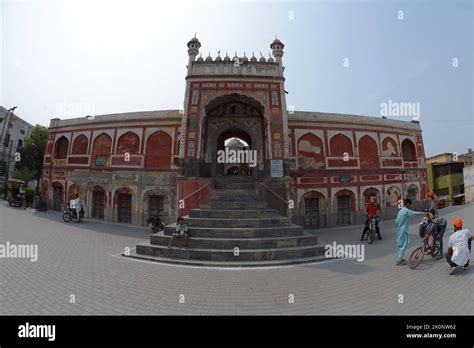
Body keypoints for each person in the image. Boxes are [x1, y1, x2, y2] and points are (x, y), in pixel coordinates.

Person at [395, 198, 424, 265]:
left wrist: (399, 225)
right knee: (403, 245)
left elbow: (396, 221)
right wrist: (424, 213)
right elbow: (415, 213)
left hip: (399, 230)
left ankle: (399, 258)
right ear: (407, 204)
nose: (410, 206)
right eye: (410, 204)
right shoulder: (406, 211)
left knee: (399, 245)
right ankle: (399, 261)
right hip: (404, 230)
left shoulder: (400, 211)